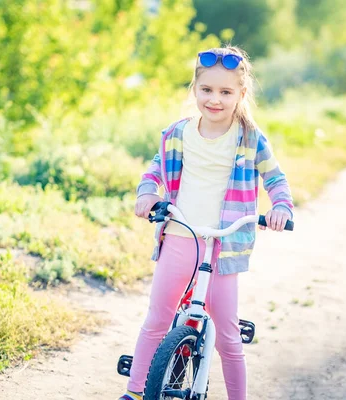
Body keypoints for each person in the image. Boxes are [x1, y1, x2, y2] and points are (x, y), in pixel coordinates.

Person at [118, 46, 294, 400]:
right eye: (207, 90)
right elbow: (153, 170)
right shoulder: (178, 134)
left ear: (241, 94)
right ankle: (135, 391)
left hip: (224, 246)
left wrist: (282, 207)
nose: (215, 99)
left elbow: (276, 180)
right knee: (157, 319)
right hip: (181, 235)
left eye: (226, 92)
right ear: (195, 90)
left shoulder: (250, 139)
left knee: (229, 335)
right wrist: (146, 194)